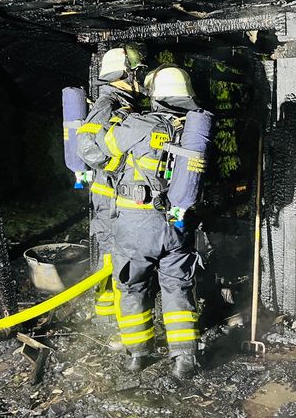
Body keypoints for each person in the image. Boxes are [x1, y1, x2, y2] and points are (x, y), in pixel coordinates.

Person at [108, 65, 211, 378]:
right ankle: (184, 361)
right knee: (178, 286)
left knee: (132, 286)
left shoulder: (138, 123)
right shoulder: (192, 131)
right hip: (177, 225)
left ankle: (138, 355)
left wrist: (114, 112)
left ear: (155, 94)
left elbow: (102, 151)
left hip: (136, 223)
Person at [76, 45, 147, 333]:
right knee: (112, 255)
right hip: (109, 197)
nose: (141, 79)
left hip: (115, 196)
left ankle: (110, 315)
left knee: (116, 255)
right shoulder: (107, 102)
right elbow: (88, 149)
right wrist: (116, 165)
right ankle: (109, 319)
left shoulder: (122, 100)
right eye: (138, 72)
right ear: (127, 73)